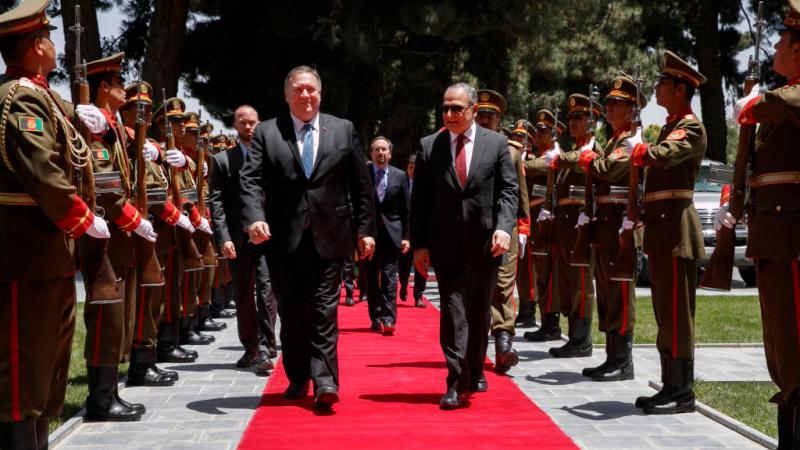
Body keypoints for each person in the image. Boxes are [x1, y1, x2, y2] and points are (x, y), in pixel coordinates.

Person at [0, 0, 109, 444]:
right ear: (36, 45)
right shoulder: (17, 96)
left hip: (49, 254)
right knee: (23, 365)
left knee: (49, 362)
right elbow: (43, 171)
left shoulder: (38, 94)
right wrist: (83, 219)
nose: (54, 45)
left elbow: (62, 137)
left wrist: (84, 118)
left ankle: (38, 437)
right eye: (47, 38)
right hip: (25, 253)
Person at [240, 66, 376, 410]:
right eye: (298, 90)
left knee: (324, 311)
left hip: (331, 236)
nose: (305, 96)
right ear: (287, 96)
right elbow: (251, 180)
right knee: (292, 310)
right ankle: (299, 376)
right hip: (284, 240)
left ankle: (326, 381)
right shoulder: (268, 133)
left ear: (320, 93)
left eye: (311, 89)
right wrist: (255, 218)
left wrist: (366, 231)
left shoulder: (342, 131)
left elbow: (361, 185)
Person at [411, 82, 517, 409]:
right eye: (445, 108)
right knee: (453, 311)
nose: (450, 114)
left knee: (479, 310)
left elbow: (508, 193)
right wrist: (419, 245)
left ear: (472, 110)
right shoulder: (430, 147)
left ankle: (474, 368)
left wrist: (503, 228)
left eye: (457, 108)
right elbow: (420, 202)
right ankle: (455, 380)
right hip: (445, 246)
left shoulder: (497, 144)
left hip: (486, 243)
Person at [727, 2, 800, 444]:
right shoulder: (783, 97)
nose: (774, 44)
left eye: (783, 39)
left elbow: (776, 104)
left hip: (792, 237)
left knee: (794, 337)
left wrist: (755, 103)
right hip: (773, 235)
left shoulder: (789, 97)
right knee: (780, 339)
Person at [76, 52, 160, 422]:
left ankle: (109, 390)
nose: (125, 89)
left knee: (118, 315)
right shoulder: (94, 129)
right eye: (119, 83)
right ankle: (100, 397)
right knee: (108, 314)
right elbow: (107, 187)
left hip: (117, 233)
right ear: (104, 88)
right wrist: (133, 219)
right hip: (104, 233)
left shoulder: (110, 128)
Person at [626, 51, 707, 414]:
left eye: (662, 83)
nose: (657, 88)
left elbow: (664, 155)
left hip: (676, 229)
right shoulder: (672, 124)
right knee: (664, 313)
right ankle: (670, 384)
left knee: (676, 315)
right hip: (662, 228)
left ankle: (683, 392)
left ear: (679, 88)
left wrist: (641, 150)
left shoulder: (690, 126)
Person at [559, 76, 644, 381]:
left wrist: (588, 159)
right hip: (605, 226)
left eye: (616, 104)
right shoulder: (614, 141)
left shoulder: (630, 143)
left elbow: (609, 169)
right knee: (608, 294)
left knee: (620, 293)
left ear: (632, 109)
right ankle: (612, 357)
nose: (608, 107)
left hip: (620, 226)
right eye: (608, 102)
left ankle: (623, 362)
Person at [118, 80, 186, 385]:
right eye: (139, 108)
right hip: (139, 233)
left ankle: (148, 356)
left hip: (154, 235)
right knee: (144, 301)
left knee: (154, 299)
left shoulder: (145, 147)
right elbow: (153, 195)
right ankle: (140, 363)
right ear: (127, 111)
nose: (144, 113)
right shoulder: (128, 142)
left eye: (147, 108)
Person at [208, 104, 277, 372]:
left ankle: (265, 346)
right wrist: (223, 238)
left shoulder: (270, 158)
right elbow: (217, 203)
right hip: (237, 240)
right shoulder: (223, 160)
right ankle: (251, 347)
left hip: (267, 238)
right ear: (235, 126)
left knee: (267, 290)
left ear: (259, 124)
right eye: (242, 122)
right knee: (244, 295)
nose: (248, 127)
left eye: (252, 122)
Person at [474, 89, 530, 374]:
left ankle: (503, 346)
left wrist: (524, 226)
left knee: (503, 286)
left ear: (499, 120)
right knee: (478, 287)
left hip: (505, 228)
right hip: (474, 229)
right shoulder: (466, 149)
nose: (484, 120)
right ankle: (477, 347)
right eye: (480, 115)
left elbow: (520, 193)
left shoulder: (511, 151)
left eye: (490, 116)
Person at [541, 94, 601, 359]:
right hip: (565, 228)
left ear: (592, 121)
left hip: (580, 227)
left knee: (580, 285)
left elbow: (580, 160)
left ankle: (582, 339)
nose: (572, 122)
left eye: (579, 117)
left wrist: (559, 158)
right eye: (571, 117)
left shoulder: (591, 148)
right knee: (568, 285)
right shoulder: (572, 150)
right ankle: (574, 334)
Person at [523, 110, 566, 343]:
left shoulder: (552, 156)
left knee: (549, 274)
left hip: (546, 221)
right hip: (536, 220)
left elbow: (531, 167)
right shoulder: (540, 154)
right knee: (540, 274)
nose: (536, 134)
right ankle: (546, 321)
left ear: (554, 134)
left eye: (542, 130)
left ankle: (552, 325)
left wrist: (523, 161)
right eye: (537, 129)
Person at [364, 136, 410, 335]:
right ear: (371, 153)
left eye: (384, 150)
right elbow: (357, 206)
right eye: (377, 149)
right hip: (369, 236)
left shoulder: (400, 176)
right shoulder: (364, 174)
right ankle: (375, 316)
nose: (381, 153)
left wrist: (407, 236)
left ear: (390, 154)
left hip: (392, 234)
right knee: (372, 277)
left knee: (390, 277)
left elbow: (407, 210)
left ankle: (389, 318)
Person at [510, 119, 538, 328]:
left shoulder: (533, 159)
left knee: (529, 269)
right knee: (520, 271)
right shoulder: (516, 157)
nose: (519, 140)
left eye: (523, 137)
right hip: (518, 219)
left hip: (534, 220)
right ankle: (524, 310)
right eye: (516, 136)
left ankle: (530, 311)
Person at [397, 153, 427, 307]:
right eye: (410, 168)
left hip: (421, 231)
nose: (413, 171)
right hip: (405, 232)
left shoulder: (426, 184)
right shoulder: (401, 182)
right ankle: (403, 284)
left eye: (416, 168)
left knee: (421, 265)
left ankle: (419, 295)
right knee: (404, 264)